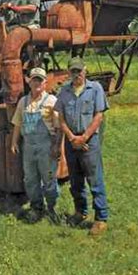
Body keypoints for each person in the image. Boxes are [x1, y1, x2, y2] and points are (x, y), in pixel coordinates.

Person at [54, 57, 109, 236]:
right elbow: (60, 117)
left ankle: (101, 218)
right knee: (75, 181)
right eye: (73, 71)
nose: (76, 74)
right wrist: (71, 138)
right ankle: (81, 212)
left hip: (89, 141)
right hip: (71, 142)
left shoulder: (95, 89)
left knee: (95, 180)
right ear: (69, 72)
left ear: (85, 70)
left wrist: (84, 137)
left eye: (79, 71)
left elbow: (99, 116)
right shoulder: (64, 92)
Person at [10, 67, 61, 224]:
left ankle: (51, 208)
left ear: (45, 83)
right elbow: (18, 123)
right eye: (34, 80)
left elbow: (58, 127)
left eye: (40, 80)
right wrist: (14, 142)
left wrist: (57, 146)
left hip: (46, 146)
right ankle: (36, 207)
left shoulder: (51, 101)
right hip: (28, 147)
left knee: (49, 178)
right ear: (29, 82)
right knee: (30, 179)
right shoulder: (23, 102)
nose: (37, 83)